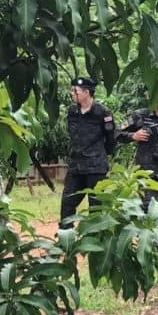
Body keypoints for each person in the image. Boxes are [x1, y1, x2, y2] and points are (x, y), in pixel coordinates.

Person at [61, 76, 116, 225]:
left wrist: (102, 155)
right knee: (67, 203)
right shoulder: (72, 111)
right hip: (76, 166)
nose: (72, 93)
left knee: (95, 206)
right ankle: (65, 237)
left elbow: (111, 139)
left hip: (95, 167)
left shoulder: (103, 113)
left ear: (86, 92)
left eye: (75, 91)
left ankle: (94, 241)